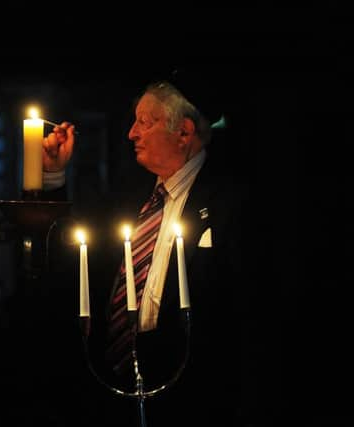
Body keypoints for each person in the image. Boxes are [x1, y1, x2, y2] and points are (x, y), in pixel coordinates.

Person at [40, 69, 272, 427]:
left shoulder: (232, 204)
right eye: (134, 122)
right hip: (111, 386)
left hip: (195, 395)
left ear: (183, 132)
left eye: (145, 123)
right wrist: (54, 177)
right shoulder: (128, 195)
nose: (132, 133)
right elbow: (71, 253)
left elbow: (252, 316)